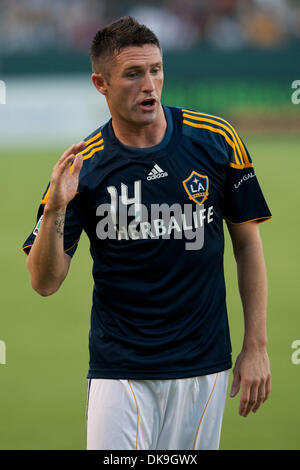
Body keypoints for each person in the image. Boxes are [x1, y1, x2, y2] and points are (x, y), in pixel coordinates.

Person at [22, 16, 272, 450]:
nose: (150, 85)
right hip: (119, 369)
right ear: (101, 83)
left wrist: (257, 346)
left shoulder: (217, 140)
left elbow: (247, 245)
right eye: (133, 74)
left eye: (156, 70)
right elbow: (44, 282)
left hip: (203, 365)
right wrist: (56, 207)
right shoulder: (85, 166)